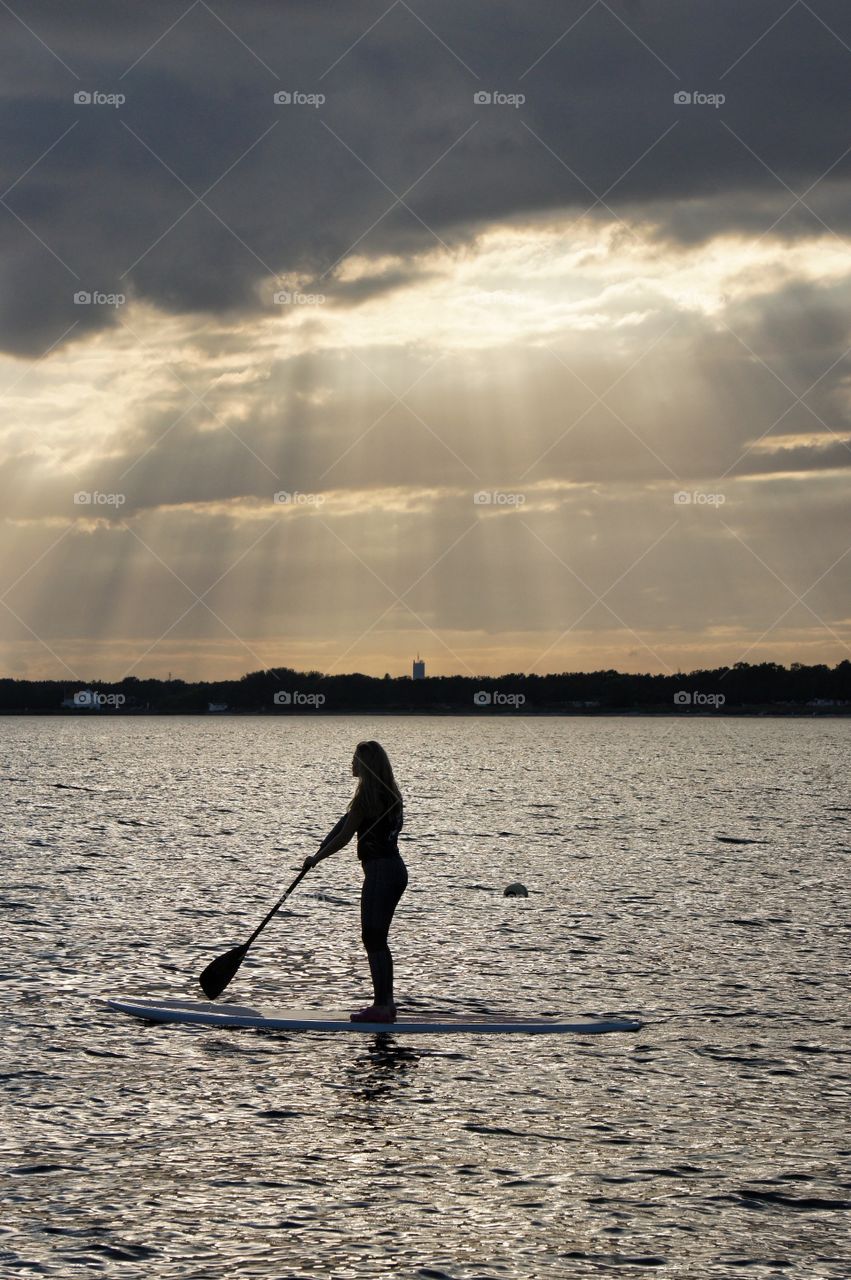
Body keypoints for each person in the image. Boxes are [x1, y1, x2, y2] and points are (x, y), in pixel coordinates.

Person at [302, 740, 407, 1023]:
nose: (352, 763)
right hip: (396, 870)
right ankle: (387, 1004)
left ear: (367, 766)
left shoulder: (365, 802)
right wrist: (321, 847)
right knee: (378, 938)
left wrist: (316, 859)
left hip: (380, 873)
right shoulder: (391, 796)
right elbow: (344, 823)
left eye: (356, 759)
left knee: (372, 937)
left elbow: (344, 837)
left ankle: (381, 1006)